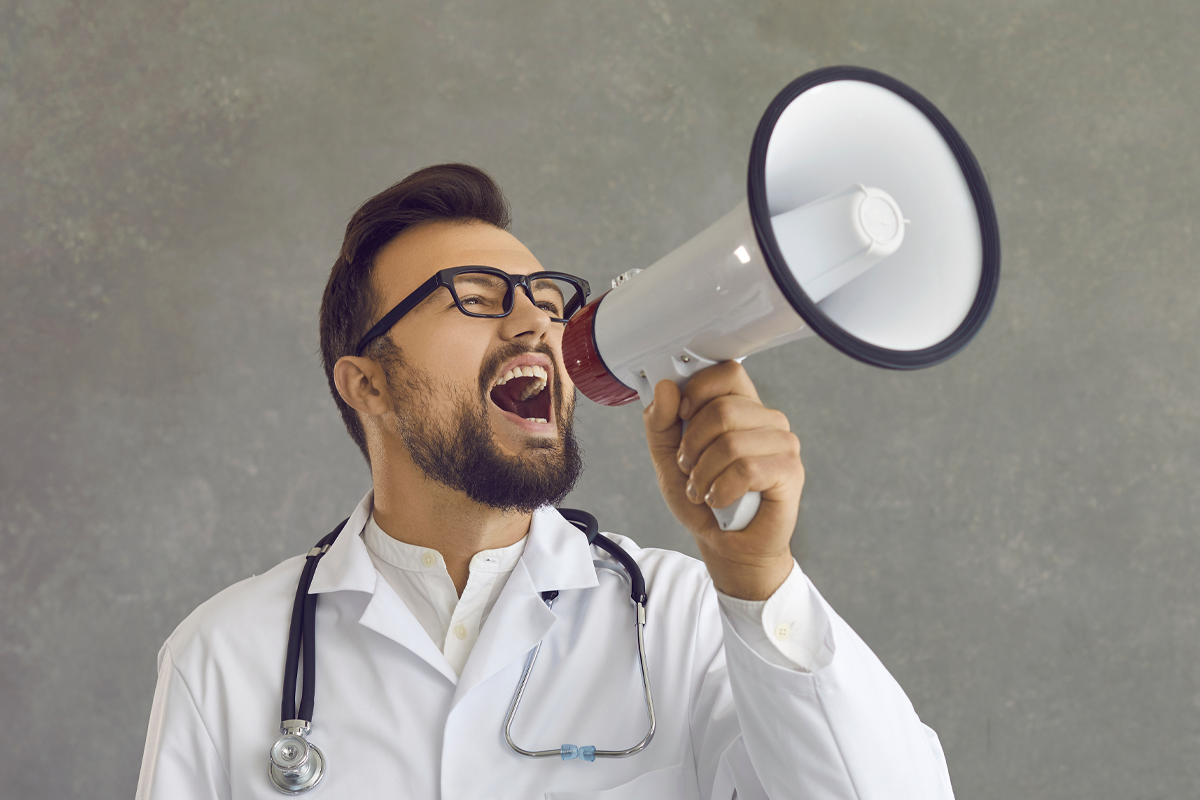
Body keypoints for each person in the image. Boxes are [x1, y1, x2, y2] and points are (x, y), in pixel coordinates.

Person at [136, 164, 954, 799]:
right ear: (368, 386)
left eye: (545, 298)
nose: (535, 323)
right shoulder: (226, 659)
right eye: (476, 298)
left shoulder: (684, 621)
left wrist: (758, 579)